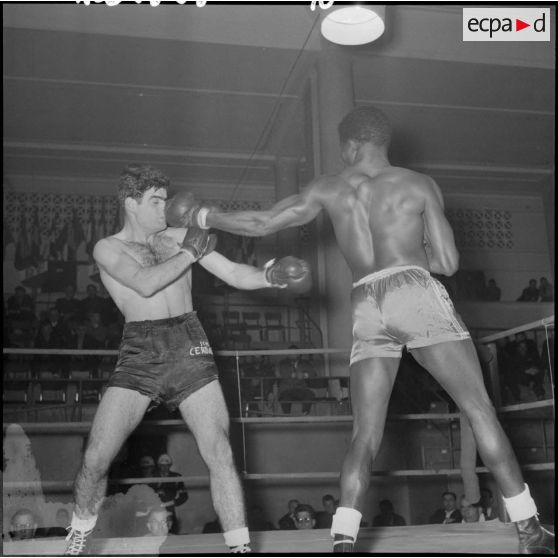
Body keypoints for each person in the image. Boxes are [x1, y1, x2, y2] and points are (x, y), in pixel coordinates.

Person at [183, 106, 554, 554]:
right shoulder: (417, 183)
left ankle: (343, 539)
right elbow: (450, 263)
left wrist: (206, 217)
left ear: (350, 144)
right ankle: (528, 528)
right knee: (478, 409)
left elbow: (262, 223)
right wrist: (413, 255)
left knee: (365, 433)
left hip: (365, 303)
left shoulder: (328, 188)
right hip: (413, 289)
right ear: (384, 141)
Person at [63, 164, 311, 556]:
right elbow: (145, 284)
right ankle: (79, 532)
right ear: (131, 203)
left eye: (166, 199)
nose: (165, 208)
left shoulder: (179, 236)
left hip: (189, 345)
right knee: (96, 456)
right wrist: (191, 250)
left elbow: (233, 273)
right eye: (155, 201)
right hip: (141, 352)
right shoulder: (107, 247)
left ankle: (240, 547)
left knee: (220, 450)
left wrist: (272, 275)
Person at [153, 453, 189, 534]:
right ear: (158, 465)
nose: (164, 468)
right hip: (154, 510)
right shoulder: (153, 477)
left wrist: (171, 503)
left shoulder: (176, 477)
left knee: (172, 533)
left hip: (169, 510)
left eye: (167, 465)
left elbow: (184, 496)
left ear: (170, 465)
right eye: (162, 465)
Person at [277, 345, 316, 415]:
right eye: (290, 353)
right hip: (286, 389)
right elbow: (282, 374)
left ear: (299, 354)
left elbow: (313, 373)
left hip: (300, 388)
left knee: (310, 394)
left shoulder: (305, 363)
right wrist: (295, 375)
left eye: (294, 353)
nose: (292, 355)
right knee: (284, 398)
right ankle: (287, 416)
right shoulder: (282, 363)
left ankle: (305, 413)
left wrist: (304, 375)